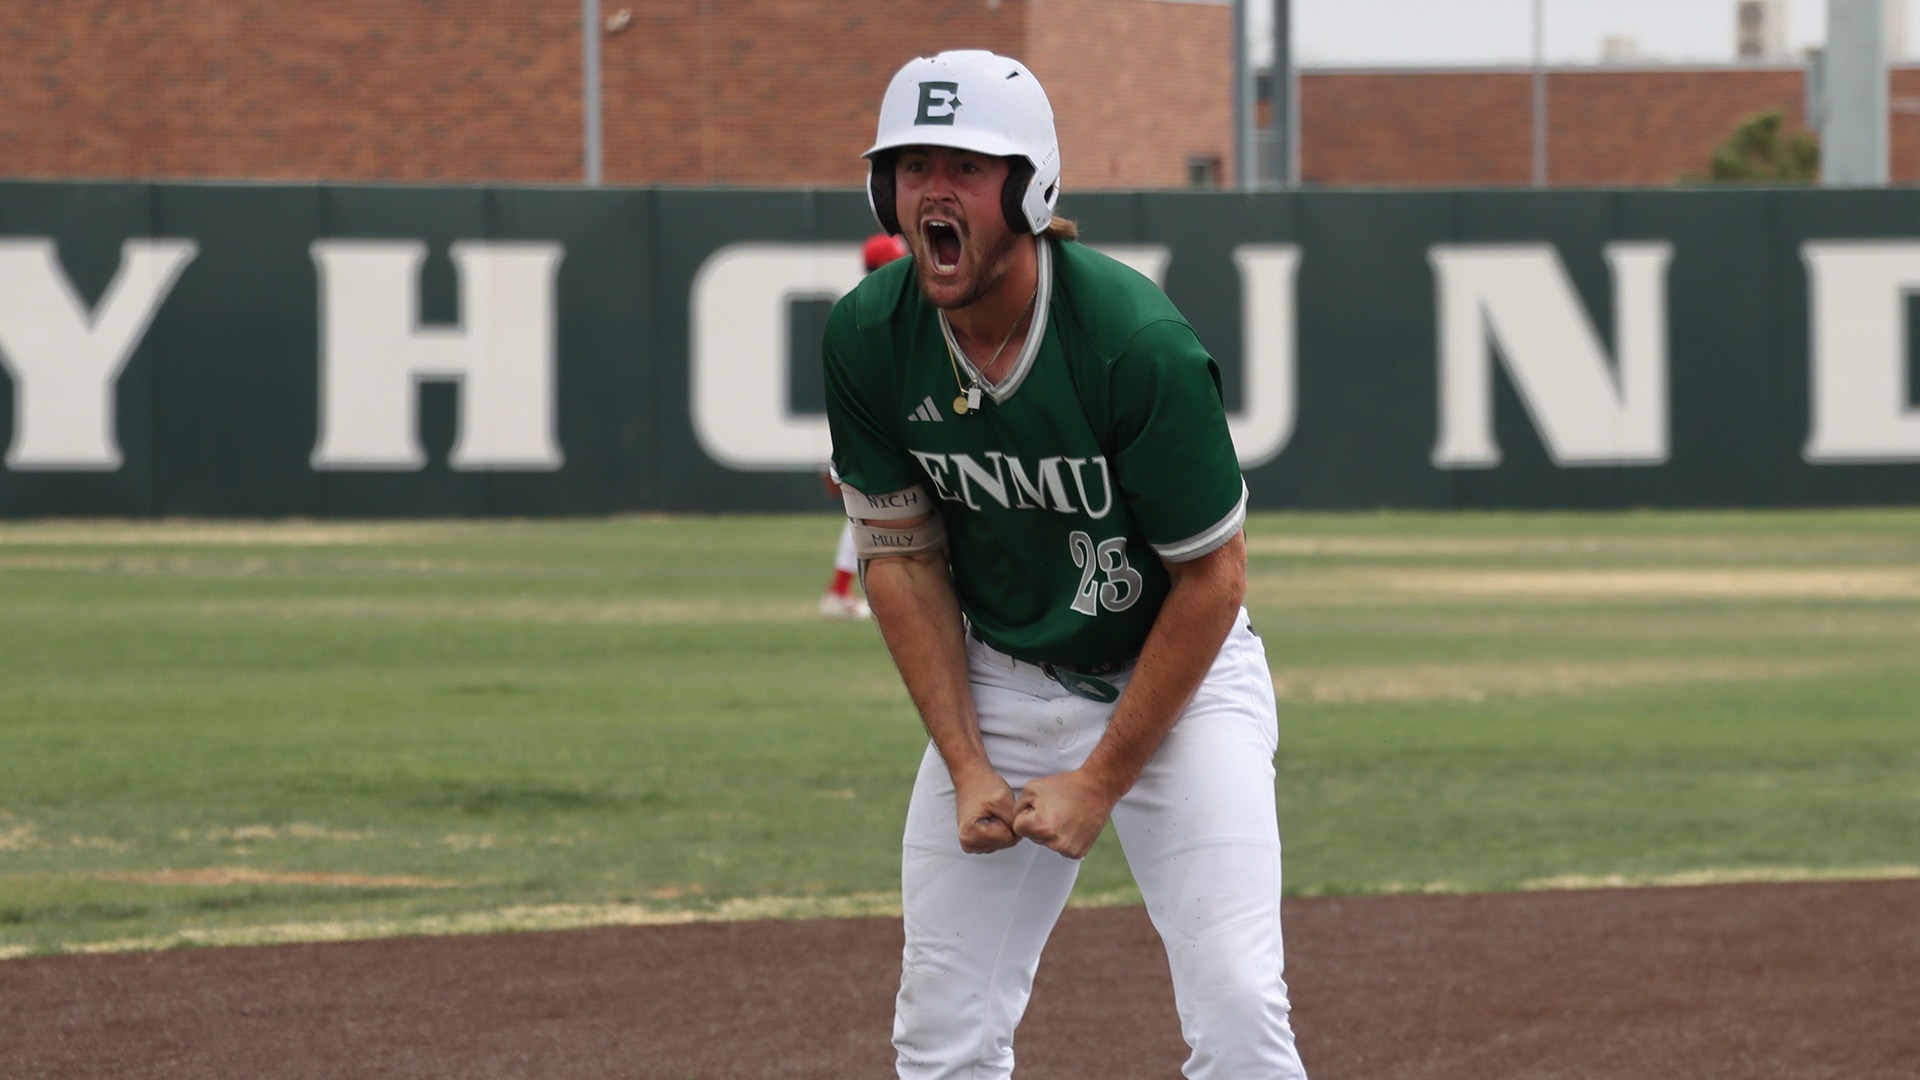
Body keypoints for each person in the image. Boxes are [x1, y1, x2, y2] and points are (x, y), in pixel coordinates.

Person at [821, 50, 1308, 1080]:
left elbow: (1214, 581)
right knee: (942, 1029)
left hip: (1176, 678)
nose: (932, 191)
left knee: (1236, 1009)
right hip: (1000, 671)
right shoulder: (868, 339)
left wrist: (1099, 779)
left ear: (1030, 187)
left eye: (964, 165)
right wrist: (965, 763)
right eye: (911, 166)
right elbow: (902, 562)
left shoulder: (1134, 343)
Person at [820, 233, 911, 619]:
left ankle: (842, 590)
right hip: (889, 426)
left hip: (872, 423)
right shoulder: (888, 308)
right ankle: (844, 592)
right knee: (877, 508)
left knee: (871, 509)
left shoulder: (857, 308)